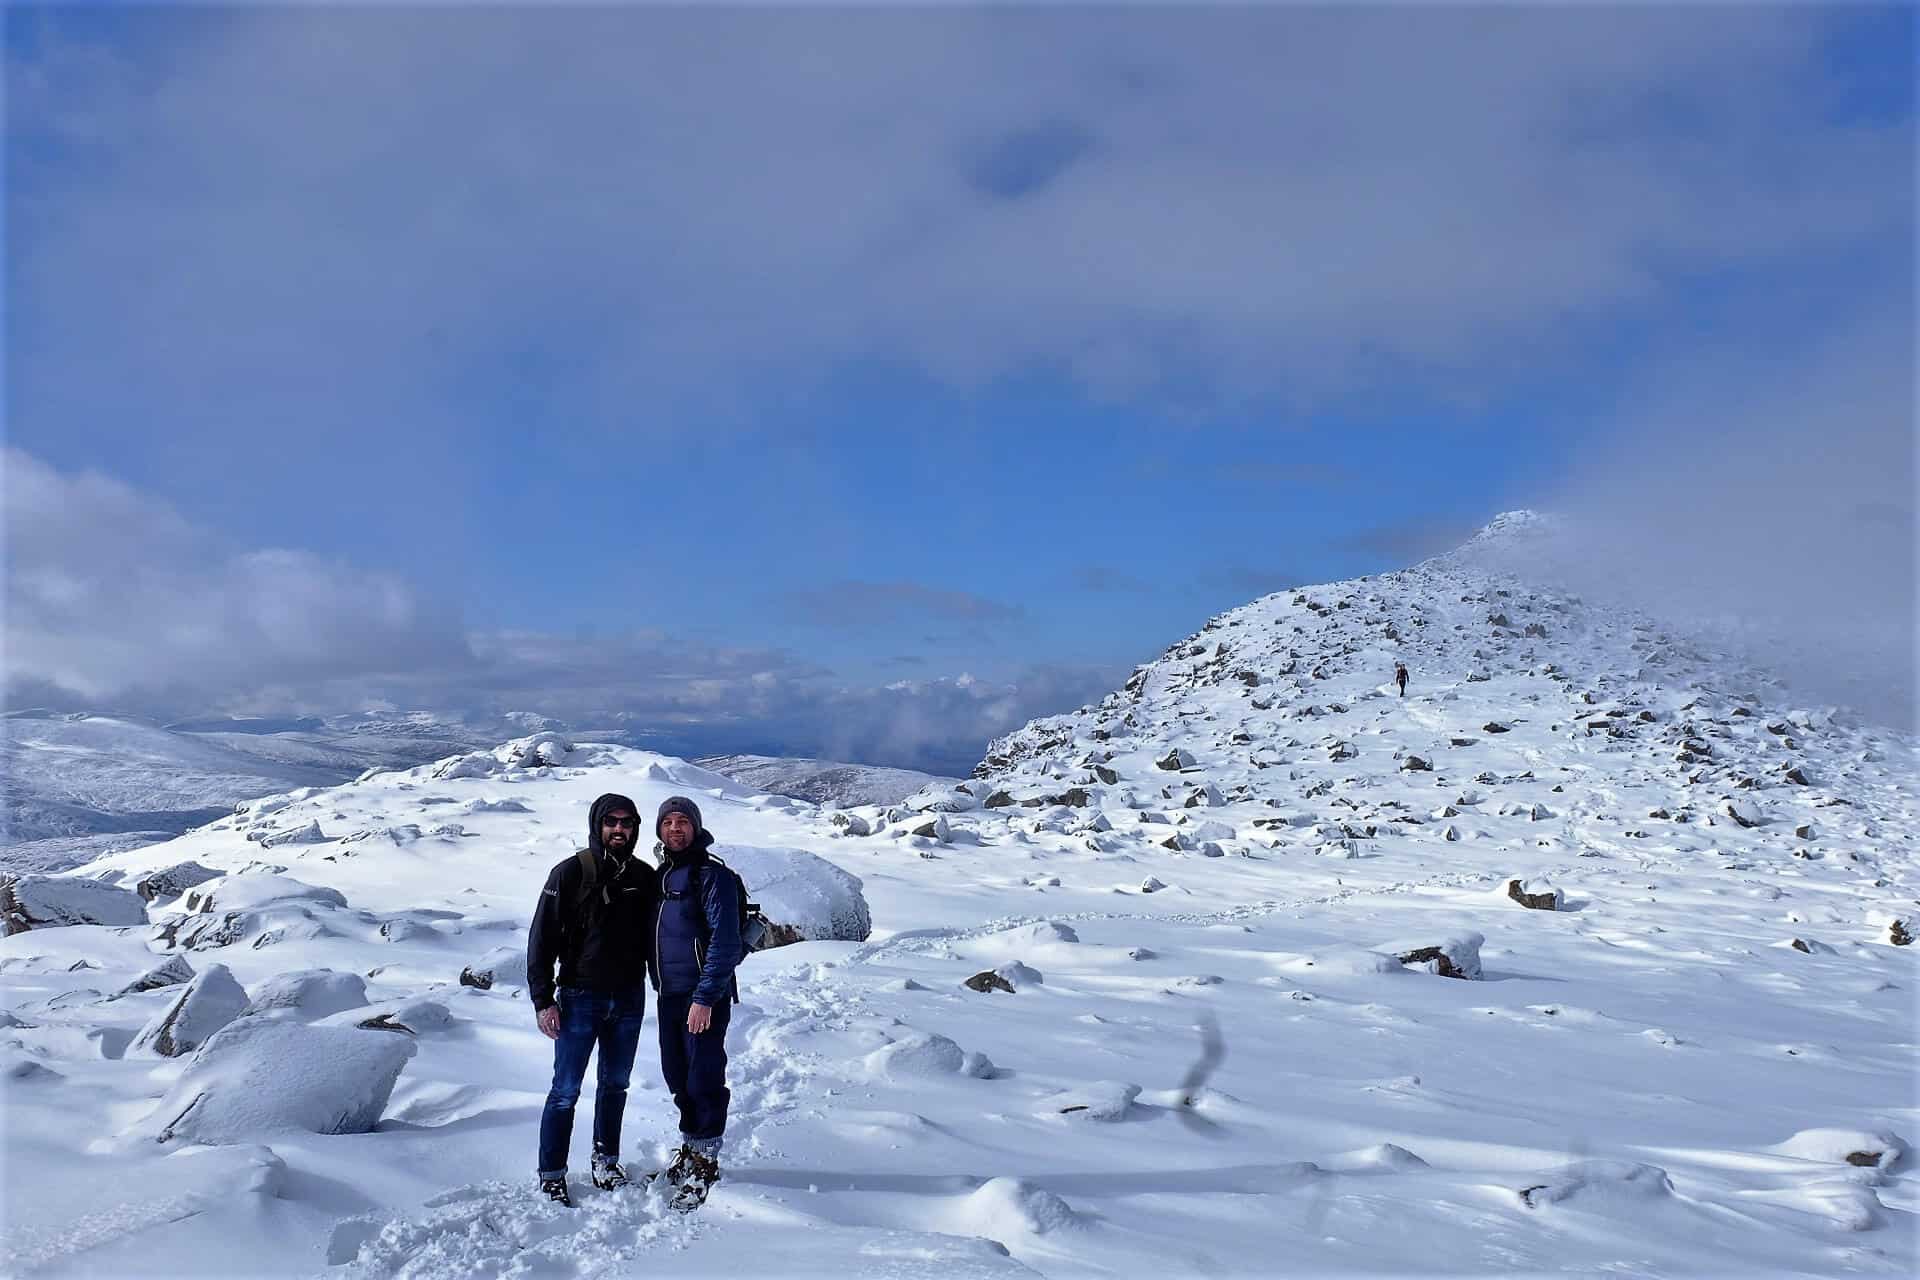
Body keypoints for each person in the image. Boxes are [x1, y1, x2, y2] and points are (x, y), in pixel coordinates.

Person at [527, 792, 655, 1206]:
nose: (619, 829)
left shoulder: (644, 875)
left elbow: (659, 937)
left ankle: (606, 1161)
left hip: (629, 997)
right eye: (611, 822)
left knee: (615, 1085)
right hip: (580, 996)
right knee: (564, 1090)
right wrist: (543, 1000)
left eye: (627, 822)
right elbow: (541, 940)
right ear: (597, 825)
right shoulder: (569, 873)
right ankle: (551, 1175)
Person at [647, 795, 746, 1211]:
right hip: (669, 994)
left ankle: (706, 1160)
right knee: (676, 1076)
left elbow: (725, 942)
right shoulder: (662, 876)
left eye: (682, 821)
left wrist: (705, 997)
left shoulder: (712, 877)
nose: (675, 828)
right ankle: (691, 1147)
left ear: (696, 827)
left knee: (703, 1077)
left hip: (702, 997)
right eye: (667, 821)